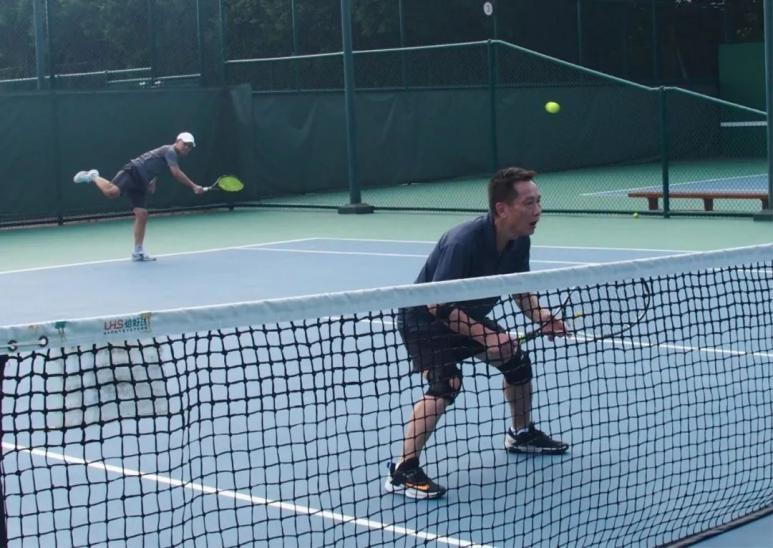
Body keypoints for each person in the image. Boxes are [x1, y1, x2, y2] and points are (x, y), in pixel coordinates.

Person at [385, 167, 569, 499]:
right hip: (423, 323)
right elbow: (438, 305)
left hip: (465, 317)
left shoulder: (519, 240)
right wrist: (488, 337)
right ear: (502, 208)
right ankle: (403, 471)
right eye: (529, 203)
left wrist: (541, 316)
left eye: (539, 201)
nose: (538, 210)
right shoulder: (463, 242)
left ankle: (521, 433)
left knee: (516, 362)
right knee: (447, 384)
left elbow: (520, 289)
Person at [73, 132, 204, 262]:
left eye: (190, 146)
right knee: (112, 192)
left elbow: (155, 164)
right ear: (177, 141)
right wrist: (193, 186)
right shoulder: (170, 151)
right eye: (185, 144)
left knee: (142, 214)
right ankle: (93, 176)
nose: (187, 147)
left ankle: (138, 251)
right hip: (134, 171)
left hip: (143, 181)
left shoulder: (170, 154)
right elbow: (176, 173)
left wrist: (153, 180)